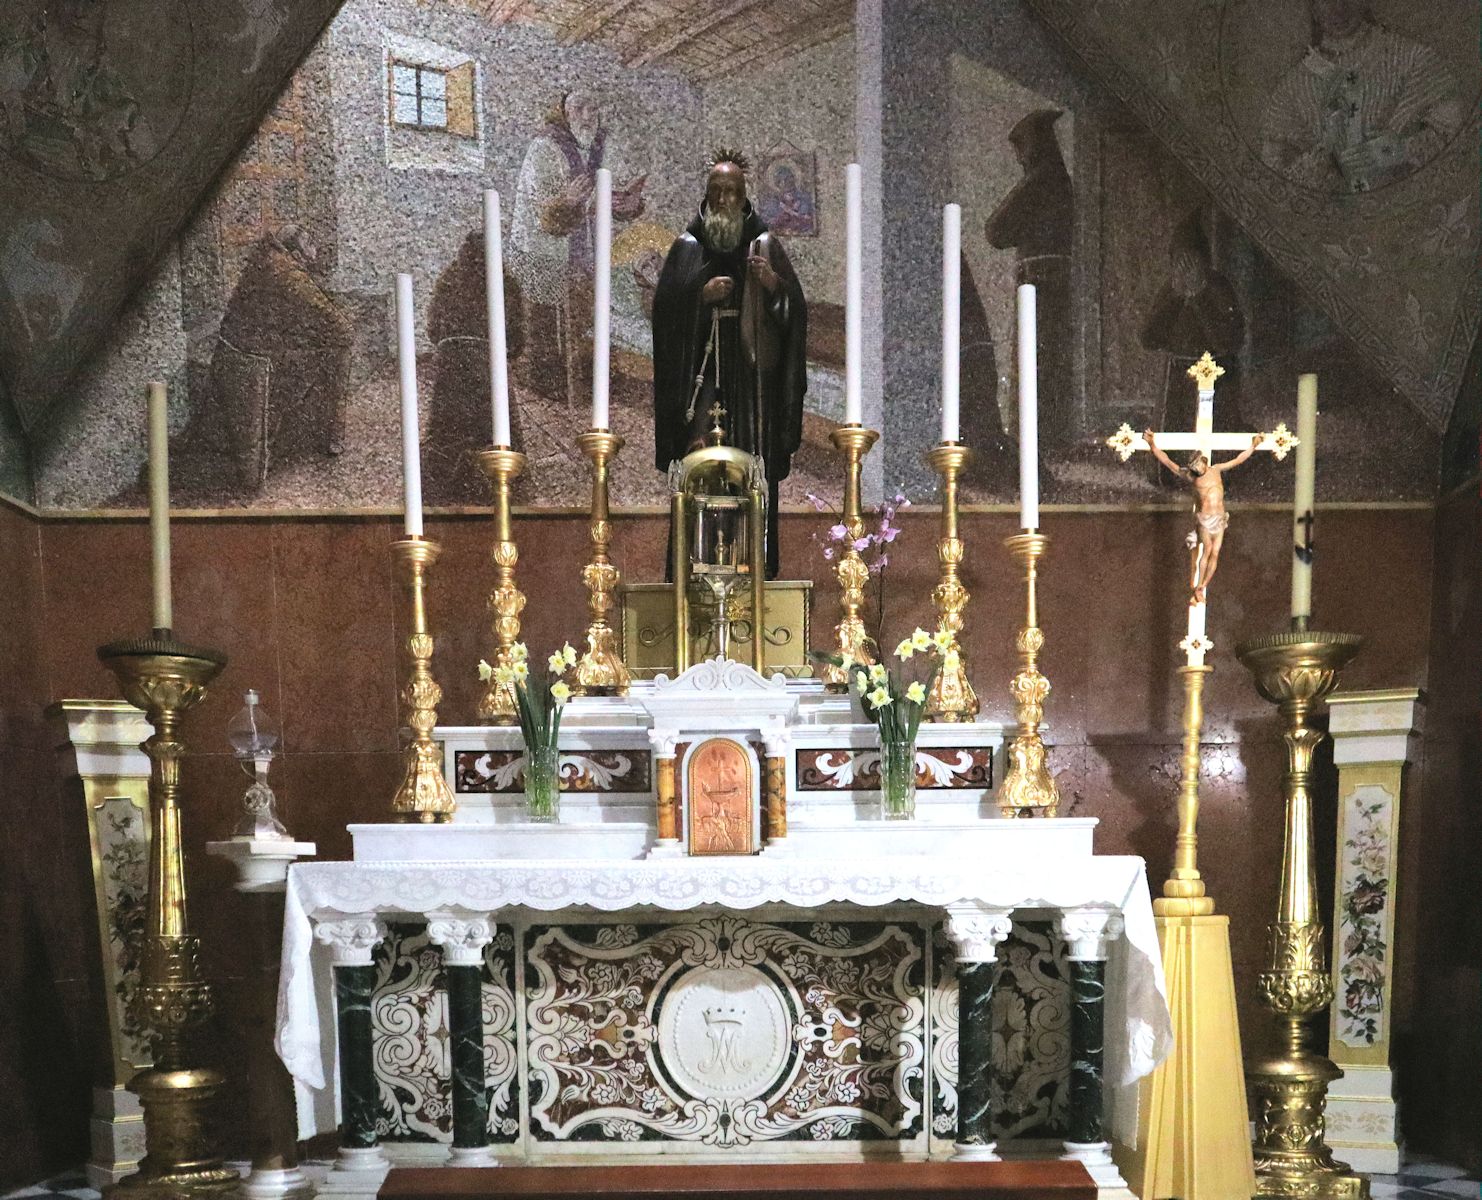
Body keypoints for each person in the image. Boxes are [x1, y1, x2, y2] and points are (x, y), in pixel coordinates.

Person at [651, 150, 808, 580]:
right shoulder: (687, 248)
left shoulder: (765, 246)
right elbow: (664, 314)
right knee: (697, 460)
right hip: (702, 374)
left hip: (752, 382)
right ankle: (691, 570)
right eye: (716, 192)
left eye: (732, 192)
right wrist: (699, 297)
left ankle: (754, 570)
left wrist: (772, 286)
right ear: (706, 196)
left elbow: (796, 313)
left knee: (751, 469)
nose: (724, 201)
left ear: (745, 198)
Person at [507, 90, 645, 403]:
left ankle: (579, 379)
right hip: (540, 248)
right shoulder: (543, 148)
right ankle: (540, 382)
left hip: (582, 250)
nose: (588, 115)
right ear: (564, 115)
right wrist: (567, 200)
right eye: (579, 108)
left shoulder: (599, 147)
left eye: (593, 108)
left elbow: (603, 200)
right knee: (541, 318)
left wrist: (627, 204)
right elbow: (543, 213)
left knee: (581, 312)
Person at [1260, 0, 1462, 193]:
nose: (1339, 7)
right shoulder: (1291, 89)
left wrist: (1396, 151)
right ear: (1312, 7)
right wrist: (1325, 163)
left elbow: (1455, 141)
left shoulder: (1413, 59)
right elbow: (1273, 181)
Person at [213, 225, 351, 475]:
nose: (315, 249)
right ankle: (332, 436)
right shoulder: (286, 272)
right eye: (310, 243)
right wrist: (340, 330)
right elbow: (333, 320)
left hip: (241, 348)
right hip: (258, 356)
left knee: (325, 348)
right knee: (339, 350)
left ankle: (320, 433)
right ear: (296, 252)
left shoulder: (267, 260)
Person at [986, 109, 1074, 449]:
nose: (1020, 158)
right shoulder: (1059, 179)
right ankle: (1049, 438)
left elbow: (995, 230)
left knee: (1036, 364)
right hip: (1054, 283)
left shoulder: (1041, 180)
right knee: (1049, 363)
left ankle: (1037, 439)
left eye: (1022, 149)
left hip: (1038, 285)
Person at [1145, 429, 1263, 602]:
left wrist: (1253, 446)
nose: (1196, 468)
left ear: (1203, 462)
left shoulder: (1216, 470)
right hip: (1206, 520)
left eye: (1197, 465)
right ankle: (1198, 585)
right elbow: (1168, 462)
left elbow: (1238, 460)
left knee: (1215, 552)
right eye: (1194, 467)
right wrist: (1152, 444)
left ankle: (1202, 586)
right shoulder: (1192, 477)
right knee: (1206, 550)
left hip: (1220, 518)